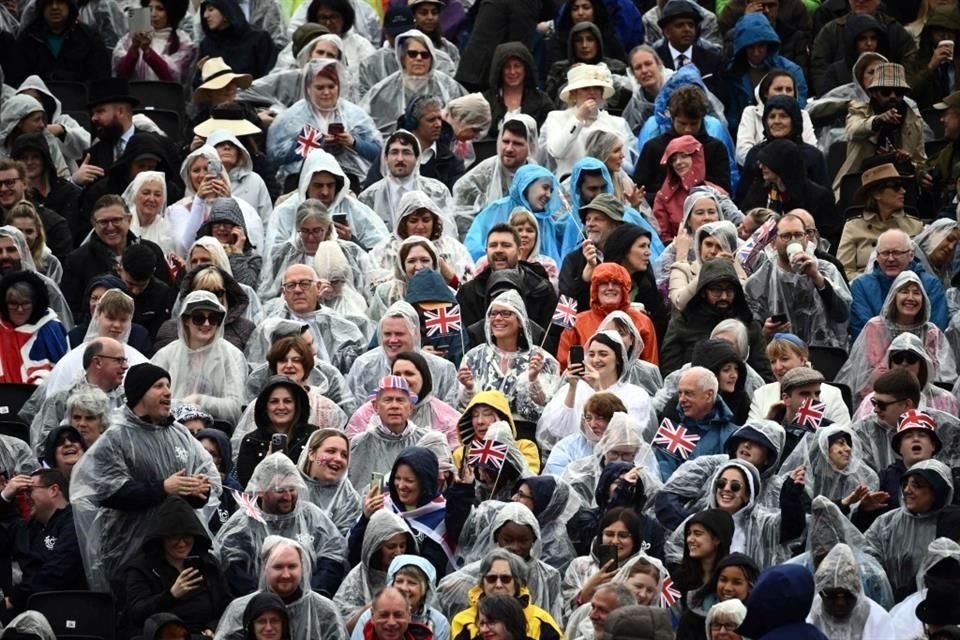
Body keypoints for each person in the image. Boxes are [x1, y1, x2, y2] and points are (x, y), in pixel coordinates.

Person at [70, 363, 222, 591]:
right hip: (130, 551)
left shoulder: (180, 433)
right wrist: (163, 488)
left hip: (177, 548)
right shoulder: (116, 437)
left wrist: (198, 489)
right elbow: (111, 492)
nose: (168, 392)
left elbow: (203, 478)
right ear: (140, 393)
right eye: (159, 386)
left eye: (168, 385)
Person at [217, 453, 346, 598]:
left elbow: (333, 553)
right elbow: (230, 566)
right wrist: (263, 600)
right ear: (261, 491)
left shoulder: (311, 516)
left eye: (292, 489)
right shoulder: (243, 523)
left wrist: (313, 593)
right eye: (280, 491)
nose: (288, 497)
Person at [838, 271, 955, 402]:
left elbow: (944, 376)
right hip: (880, 396)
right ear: (894, 296)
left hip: (925, 398)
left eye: (916, 293)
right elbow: (863, 375)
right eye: (904, 292)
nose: (910, 297)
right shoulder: (875, 327)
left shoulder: (931, 332)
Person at [437, 505, 564, 624]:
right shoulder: (472, 575)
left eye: (523, 541)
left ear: (534, 540)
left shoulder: (549, 577)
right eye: (508, 540)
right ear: (496, 537)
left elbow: (555, 621)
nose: (515, 547)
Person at [122, 496, 230, 635]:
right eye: (174, 537)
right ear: (162, 538)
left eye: (187, 536)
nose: (182, 543)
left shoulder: (207, 564)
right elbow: (136, 614)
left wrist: (213, 627)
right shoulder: (141, 569)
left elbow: (226, 604)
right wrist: (171, 595)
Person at [744, 213, 852, 349]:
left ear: (806, 238)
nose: (793, 240)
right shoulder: (761, 279)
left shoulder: (827, 269)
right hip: (780, 350)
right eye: (786, 236)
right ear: (774, 241)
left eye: (798, 235)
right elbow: (750, 333)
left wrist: (817, 277)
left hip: (823, 350)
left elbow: (843, 314)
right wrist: (765, 333)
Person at [268, 59, 381, 187]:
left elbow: (379, 153)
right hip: (301, 182)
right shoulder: (290, 118)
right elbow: (274, 157)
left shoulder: (356, 115)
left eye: (331, 86)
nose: (326, 92)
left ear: (339, 87)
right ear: (308, 88)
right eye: (320, 88)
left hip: (351, 181)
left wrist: (354, 142)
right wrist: (315, 142)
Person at [541, 329, 659, 452]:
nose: (596, 360)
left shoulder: (636, 395)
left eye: (603, 354)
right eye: (591, 354)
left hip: (616, 458)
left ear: (618, 359)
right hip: (574, 455)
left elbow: (627, 433)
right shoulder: (576, 388)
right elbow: (556, 429)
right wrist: (572, 387)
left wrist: (599, 390)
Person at [213, 536, 347, 640]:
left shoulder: (325, 611)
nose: (286, 574)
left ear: (302, 567)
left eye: (292, 566)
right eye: (278, 567)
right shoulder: (240, 610)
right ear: (265, 567)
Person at [457, 290, 559, 425]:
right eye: (493, 313)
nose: (498, 318)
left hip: (525, 433)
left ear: (520, 321)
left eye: (506, 313)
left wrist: (533, 380)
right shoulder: (473, 357)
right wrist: (469, 388)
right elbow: (462, 408)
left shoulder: (540, 358)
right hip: (484, 431)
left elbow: (548, 407)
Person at [660, 258, 772, 380]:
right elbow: (669, 373)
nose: (724, 296)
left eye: (729, 290)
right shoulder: (684, 323)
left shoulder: (748, 324)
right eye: (716, 290)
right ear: (703, 291)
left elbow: (763, 372)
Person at [247, 264, 366, 374]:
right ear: (284, 292)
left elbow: (354, 374)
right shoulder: (269, 328)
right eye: (291, 285)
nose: (297, 290)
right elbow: (257, 371)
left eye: (304, 284)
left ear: (318, 287)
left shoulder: (342, 327)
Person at [864, 459, 955, 601]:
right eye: (906, 484)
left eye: (916, 485)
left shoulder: (951, 525)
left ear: (936, 491)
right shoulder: (886, 523)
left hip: (935, 607)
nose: (907, 490)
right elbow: (868, 561)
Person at [265, 148, 388, 253]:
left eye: (330, 185)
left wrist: (351, 240)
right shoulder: (285, 211)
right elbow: (274, 258)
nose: (325, 192)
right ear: (306, 185)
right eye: (318, 186)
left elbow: (378, 254)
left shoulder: (355, 210)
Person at [151, 290, 246, 422]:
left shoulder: (232, 355)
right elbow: (151, 398)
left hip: (216, 428)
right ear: (185, 320)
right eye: (199, 318)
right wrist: (181, 407)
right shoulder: (167, 354)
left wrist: (198, 400)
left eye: (213, 318)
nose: (206, 324)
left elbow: (236, 407)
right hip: (170, 424)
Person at [833, 67, 927, 198]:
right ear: (874, 93)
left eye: (898, 93)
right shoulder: (860, 108)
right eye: (886, 92)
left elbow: (920, 161)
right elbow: (853, 130)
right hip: (860, 180)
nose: (892, 97)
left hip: (898, 185)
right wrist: (878, 120)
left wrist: (908, 161)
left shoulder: (913, 120)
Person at [0, 468, 85, 613]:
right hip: (28, 610)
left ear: (53, 490)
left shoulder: (75, 522)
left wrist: (14, 600)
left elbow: (57, 572)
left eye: (29, 491)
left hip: (68, 610)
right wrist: (4, 497)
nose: (25, 497)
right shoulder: (25, 528)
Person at [633, 84, 733, 206]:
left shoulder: (716, 149)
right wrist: (667, 200)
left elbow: (723, 191)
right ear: (672, 118)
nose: (687, 129)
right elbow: (639, 191)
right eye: (682, 123)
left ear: (702, 119)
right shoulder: (654, 147)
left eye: (693, 124)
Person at [346, 300, 458, 407]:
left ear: (415, 334)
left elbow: (452, 413)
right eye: (387, 334)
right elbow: (353, 412)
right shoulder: (363, 366)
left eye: (399, 334)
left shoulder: (443, 370)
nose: (393, 340)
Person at [362, 29, 466, 137]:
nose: (419, 58)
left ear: (432, 59)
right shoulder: (384, 90)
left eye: (425, 55)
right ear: (402, 58)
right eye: (412, 54)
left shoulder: (447, 85)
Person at [539, 64, 635, 181]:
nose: (592, 92)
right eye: (585, 88)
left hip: (608, 185)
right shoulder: (556, 118)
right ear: (574, 93)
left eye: (597, 88)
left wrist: (608, 155)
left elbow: (628, 167)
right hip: (568, 185)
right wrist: (578, 118)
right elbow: (557, 152)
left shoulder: (617, 123)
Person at [848, 228, 949, 338]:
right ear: (877, 256)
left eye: (897, 253)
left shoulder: (931, 285)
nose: (891, 259)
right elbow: (862, 331)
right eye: (885, 253)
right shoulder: (861, 286)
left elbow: (936, 331)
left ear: (911, 255)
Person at [457, 224, 557, 333]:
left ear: (519, 252)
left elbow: (551, 335)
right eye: (493, 245)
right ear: (486, 251)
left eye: (506, 245)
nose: (498, 250)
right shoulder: (469, 293)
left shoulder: (542, 289)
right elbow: (465, 336)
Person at [557, 262, 659, 369]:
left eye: (616, 283)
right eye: (604, 283)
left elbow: (650, 368)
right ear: (595, 289)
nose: (610, 287)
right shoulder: (577, 322)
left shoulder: (642, 322)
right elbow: (564, 366)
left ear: (624, 289)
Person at [721, 13, 808, 134]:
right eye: (751, 48)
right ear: (743, 48)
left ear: (769, 45)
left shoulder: (791, 71)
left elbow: (799, 106)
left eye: (761, 46)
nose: (756, 53)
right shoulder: (733, 73)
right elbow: (731, 113)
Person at [451, 115, 537, 238]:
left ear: (531, 146)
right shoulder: (483, 174)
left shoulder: (538, 177)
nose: (509, 149)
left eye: (517, 144)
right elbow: (461, 213)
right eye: (505, 141)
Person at [347, 375, 431, 492]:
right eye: (388, 400)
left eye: (400, 400)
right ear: (376, 407)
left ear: (411, 407)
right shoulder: (360, 443)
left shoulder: (426, 440)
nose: (394, 406)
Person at [360, 132, 454, 235]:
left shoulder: (436, 191)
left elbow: (448, 233)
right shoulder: (369, 197)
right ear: (385, 158)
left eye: (406, 153)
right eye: (394, 152)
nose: (400, 159)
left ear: (417, 158)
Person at [235, 375, 319, 488]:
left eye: (287, 401)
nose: (281, 406)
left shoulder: (313, 436)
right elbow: (248, 486)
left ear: (296, 405)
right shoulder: (251, 441)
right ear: (265, 407)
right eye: (274, 401)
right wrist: (267, 465)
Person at [7, 0, 111, 84]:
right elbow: (16, 78)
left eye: (60, 2)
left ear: (69, 5)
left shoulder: (89, 38)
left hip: (79, 100)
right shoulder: (28, 38)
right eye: (49, 3)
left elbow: (100, 79)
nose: (54, 7)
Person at [349, 554, 450, 640]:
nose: (404, 588)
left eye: (412, 583)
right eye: (399, 581)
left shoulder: (438, 622)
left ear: (425, 589)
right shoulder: (372, 615)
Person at [735, 71, 817, 169]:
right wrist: (769, 167)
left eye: (789, 90)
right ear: (765, 93)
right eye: (778, 89)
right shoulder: (751, 112)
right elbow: (742, 152)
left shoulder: (803, 115)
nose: (784, 93)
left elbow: (812, 149)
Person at [0, 269, 67, 384]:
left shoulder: (51, 328)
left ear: (35, 303)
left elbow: (62, 373)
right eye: (13, 304)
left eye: (25, 303)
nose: (20, 309)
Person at [0, 159, 72, 262]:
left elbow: (61, 266)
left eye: (9, 182)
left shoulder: (54, 224)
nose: (3, 189)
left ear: (24, 183)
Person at [675, 552, 758, 640]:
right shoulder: (692, 618)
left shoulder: (760, 620)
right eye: (723, 580)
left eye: (737, 582)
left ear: (750, 586)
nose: (728, 588)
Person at [482, 42, 554, 139]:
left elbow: (548, 136)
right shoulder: (485, 101)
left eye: (517, 66)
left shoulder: (542, 102)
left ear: (525, 69)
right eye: (507, 67)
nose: (512, 72)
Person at [296, 429, 361, 536]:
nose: (338, 459)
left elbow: (345, 541)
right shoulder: (289, 485)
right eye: (331, 451)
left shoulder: (350, 499)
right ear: (311, 454)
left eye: (344, 455)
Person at [652, 0, 723, 95]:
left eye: (691, 25)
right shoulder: (655, 60)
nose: (687, 29)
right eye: (680, 25)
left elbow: (721, 96)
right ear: (667, 32)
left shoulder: (712, 60)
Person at [113, 0, 195, 82]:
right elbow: (120, 75)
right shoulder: (131, 37)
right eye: (149, 9)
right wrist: (134, 49)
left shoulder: (183, 42)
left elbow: (173, 77)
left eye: (160, 9)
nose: (153, 14)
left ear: (172, 12)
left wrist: (148, 51)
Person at [198, 0, 277, 79]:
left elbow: (270, 77)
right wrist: (201, 72)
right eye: (205, 10)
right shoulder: (207, 45)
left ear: (225, 10)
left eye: (211, 10)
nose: (205, 15)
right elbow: (199, 84)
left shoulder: (258, 39)